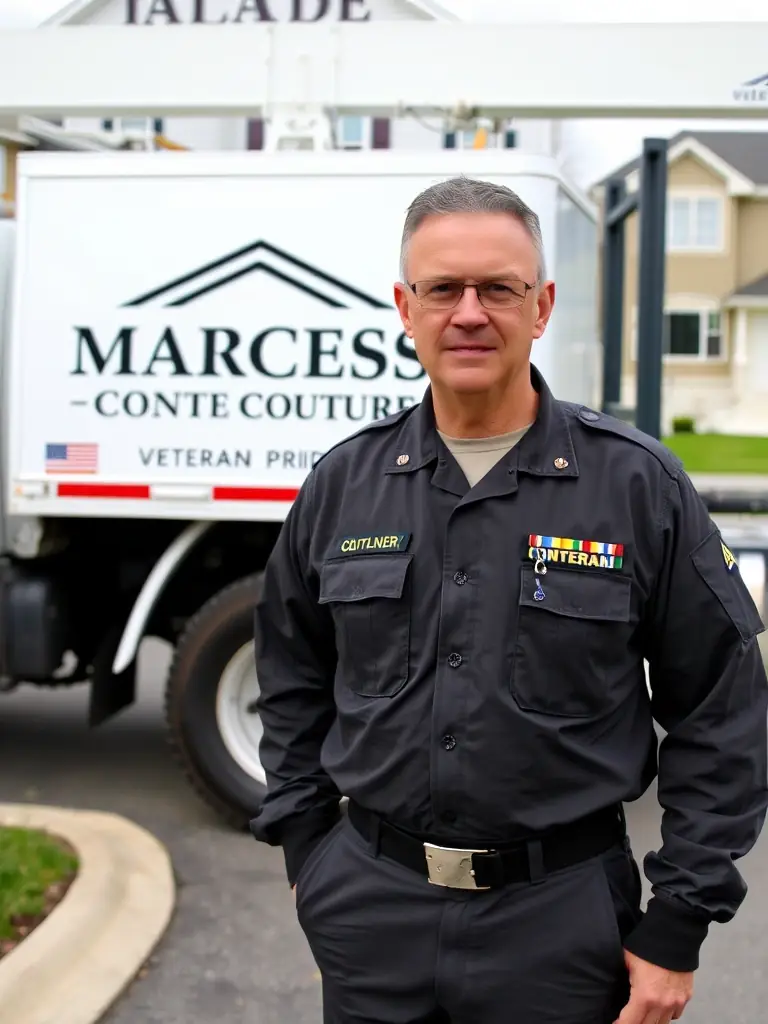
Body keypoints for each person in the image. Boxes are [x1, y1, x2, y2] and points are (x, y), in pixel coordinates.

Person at [249, 175, 768, 1024]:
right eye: (442, 288)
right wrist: (310, 853)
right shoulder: (343, 485)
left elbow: (723, 711)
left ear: (543, 305)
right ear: (404, 306)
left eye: (499, 288)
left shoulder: (635, 485)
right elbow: (291, 674)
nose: (469, 312)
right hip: (371, 915)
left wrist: (678, 921)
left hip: (560, 926)